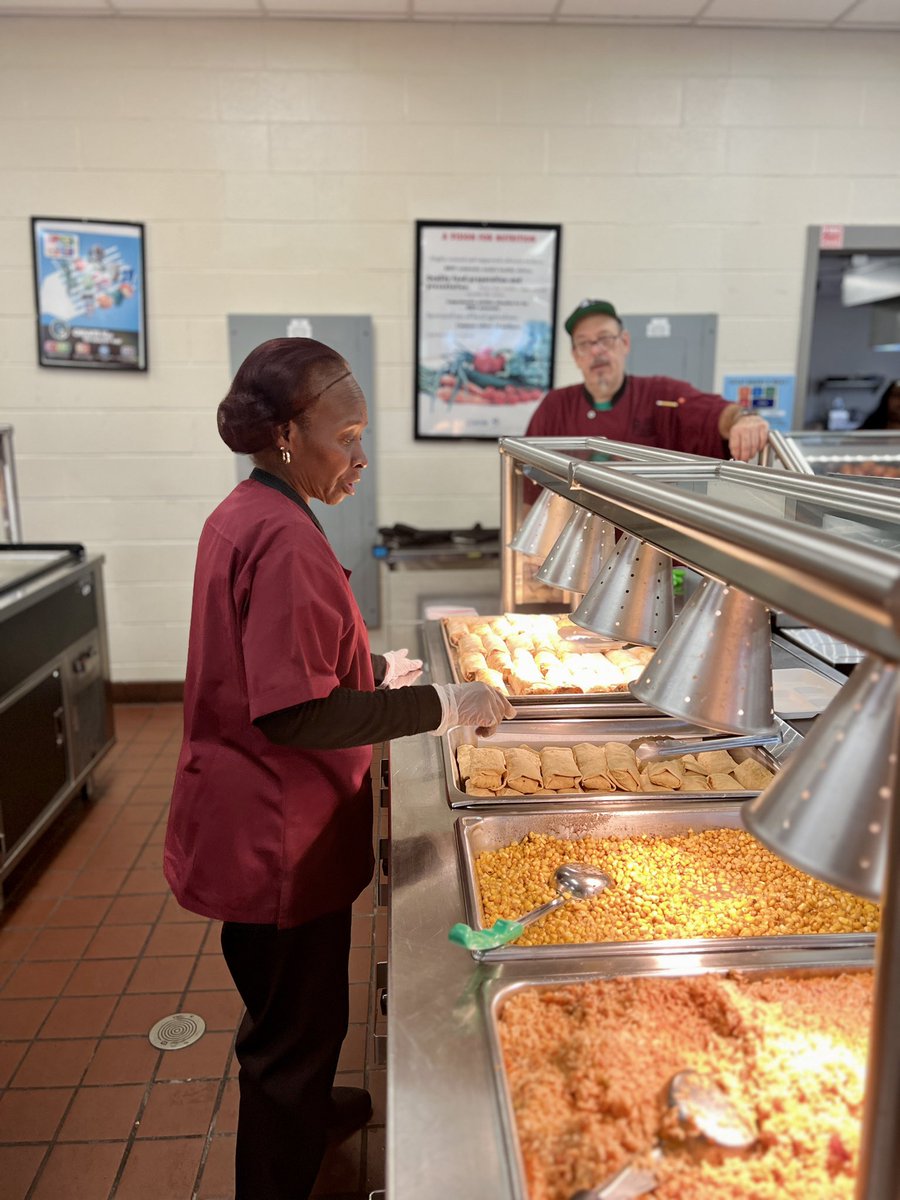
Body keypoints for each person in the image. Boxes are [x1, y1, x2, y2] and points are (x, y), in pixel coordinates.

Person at [164, 337, 514, 1200]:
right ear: (287, 434)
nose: (361, 457)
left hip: (241, 812)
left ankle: (313, 1108)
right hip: (276, 839)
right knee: (292, 1034)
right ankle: (286, 1146)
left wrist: (367, 672)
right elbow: (292, 711)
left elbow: (276, 663)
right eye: (346, 436)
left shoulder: (248, 510)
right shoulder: (282, 535)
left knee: (291, 1010)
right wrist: (439, 703)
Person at [525, 299, 770, 461]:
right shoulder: (554, 407)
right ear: (575, 356)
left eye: (605, 338)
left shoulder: (663, 396)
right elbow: (528, 488)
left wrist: (744, 418)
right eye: (584, 343)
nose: (596, 350)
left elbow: (716, 414)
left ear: (625, 343)